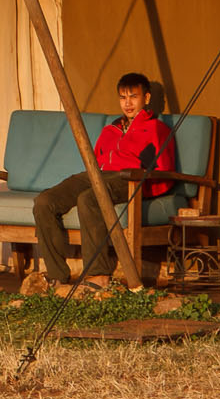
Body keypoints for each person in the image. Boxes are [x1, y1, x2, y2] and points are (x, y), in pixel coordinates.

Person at [31, 73, 177, 285]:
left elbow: (162, 168)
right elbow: (96, 160)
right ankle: (56, 275)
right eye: (123, 98)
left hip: (128, 178)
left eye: (133, 97)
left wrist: (142, 185)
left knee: (89, 199)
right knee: (44, 201)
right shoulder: (111, 129)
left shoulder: (156, 129)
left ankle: (98, 274)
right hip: (98, 175)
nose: (127, 103)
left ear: (146, 98)